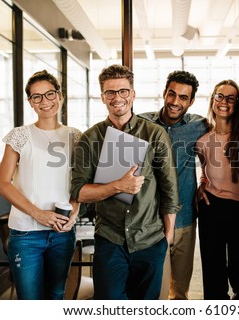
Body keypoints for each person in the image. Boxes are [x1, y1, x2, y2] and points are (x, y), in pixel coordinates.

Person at [71, 64, 180, 300]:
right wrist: (118, 186)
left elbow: (169, 191)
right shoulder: (91, 138)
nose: (117, 97)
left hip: (150, 239)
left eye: (123, 91)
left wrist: (167, 238)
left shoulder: (154, 134)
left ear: (132, 94)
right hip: (110, 239)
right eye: (110, 92)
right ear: (102, 97)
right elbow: (79, 192)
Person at [0, 70, 81, 300]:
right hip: (26, 234)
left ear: (60, 96)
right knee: (29, 300)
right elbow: (3, 183)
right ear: (30, 103)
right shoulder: (20, 136)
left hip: (62, 234)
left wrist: (75, 211)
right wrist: (38, 214)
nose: (45, 102)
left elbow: (80, 183)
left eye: (49, 94)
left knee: (56, 294)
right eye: (37, 97)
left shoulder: (75, 136)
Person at [139, 70, 208, 300]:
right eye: (172, 94)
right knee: (152, 290)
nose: (175, 102)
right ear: (164, 93)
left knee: (179, 291)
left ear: (191, 101)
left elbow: (224, 144)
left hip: (185, 217)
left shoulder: (200, 126)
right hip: (149, 220)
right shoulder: (141, 123)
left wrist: (206, 181)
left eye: (183, 97)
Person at [195, 79, 239, 300]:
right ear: (213, 100)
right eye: (220, 96)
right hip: (212, 207)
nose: (224, 102)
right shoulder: (203, 141)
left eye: (231, 98)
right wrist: (202, 185)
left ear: (237, 103)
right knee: (213, 270)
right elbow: (206, 169)